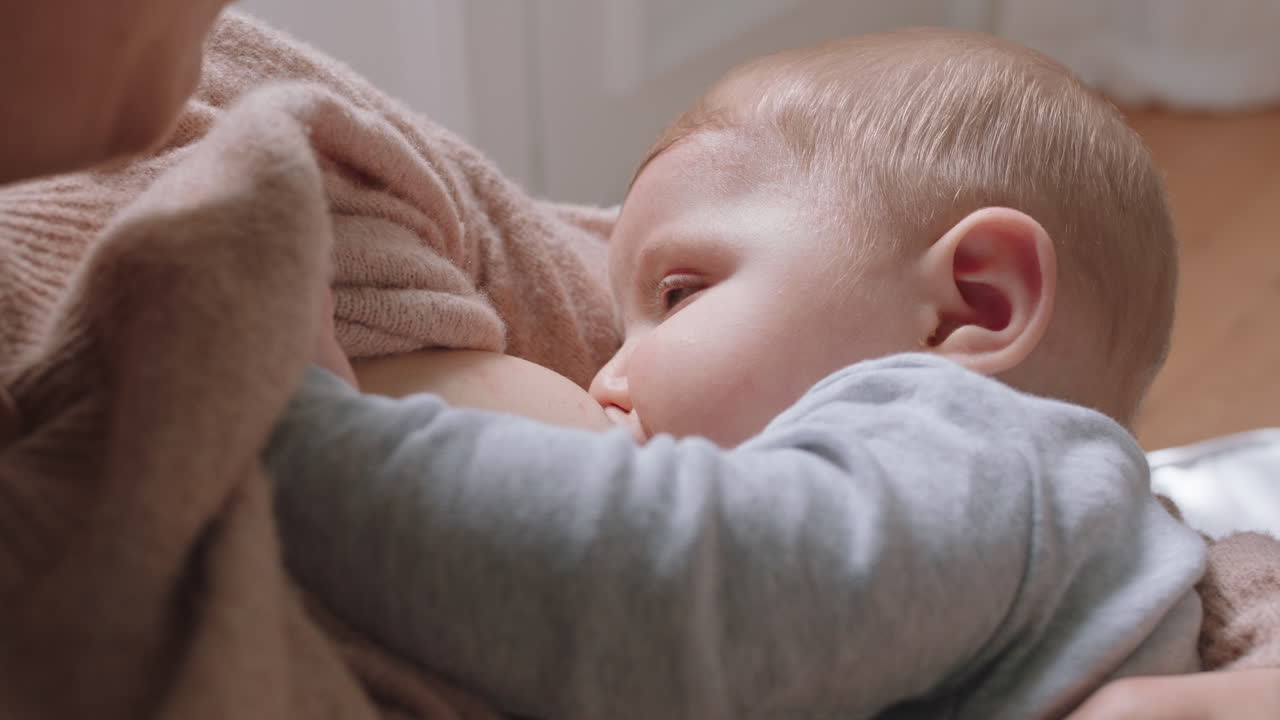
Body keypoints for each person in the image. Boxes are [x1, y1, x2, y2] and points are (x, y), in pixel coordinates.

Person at [267, 28, 1258, 719]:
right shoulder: (1044, 530)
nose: (608, 374)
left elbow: (660, 593)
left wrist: (307, 439)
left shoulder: (978, 453)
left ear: (971, 308)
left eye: (682, 292)